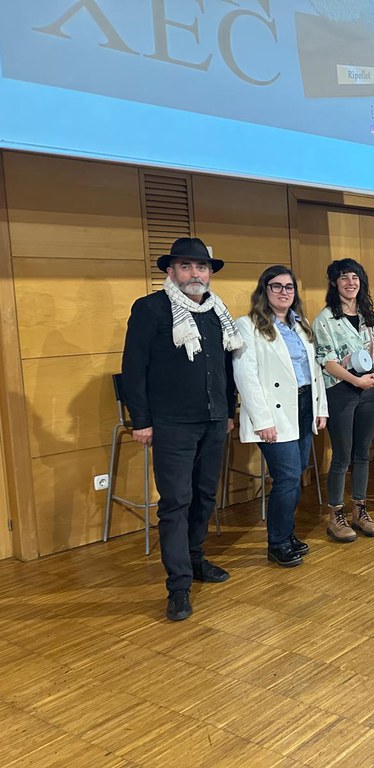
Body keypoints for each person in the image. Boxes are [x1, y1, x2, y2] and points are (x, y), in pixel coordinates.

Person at [121, 236, 242, 622]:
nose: (195, 273)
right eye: (186, 266)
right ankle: (178, 586)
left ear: (209, 273)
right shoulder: (150, 308)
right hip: (171, 423)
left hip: (214, 419)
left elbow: (226, 368)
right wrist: (141, 420)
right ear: (171, 271)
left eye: (201, 267)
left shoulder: (217, 311)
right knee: (176, 502)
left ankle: (195, 558)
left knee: (205, 496)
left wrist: (228, 411)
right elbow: (133, 368)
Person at [233, 265, 328, 567]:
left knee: (296, 474)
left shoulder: (301, 324)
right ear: (264, 290)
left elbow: (314, 371)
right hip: (273, 412)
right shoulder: (247, 325)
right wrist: (262, 421)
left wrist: (320, 408)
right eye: (277, 286)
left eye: (289, 287)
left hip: (303, 405)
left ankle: (287, 534)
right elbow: (245, 376)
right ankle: (277, 542)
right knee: (286, 477)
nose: (284, 292)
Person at [313, 259, 374, 543]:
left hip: (369, 391)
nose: (350, 282)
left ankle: (360, 510)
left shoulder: (370, 317)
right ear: (335, 283)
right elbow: (327, 361)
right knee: (342, 456)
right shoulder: (325, 319)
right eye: (344, 277)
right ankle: (336, 515)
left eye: (355, 277)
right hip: (341, 390)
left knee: (363, 453)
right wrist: (356, 381)